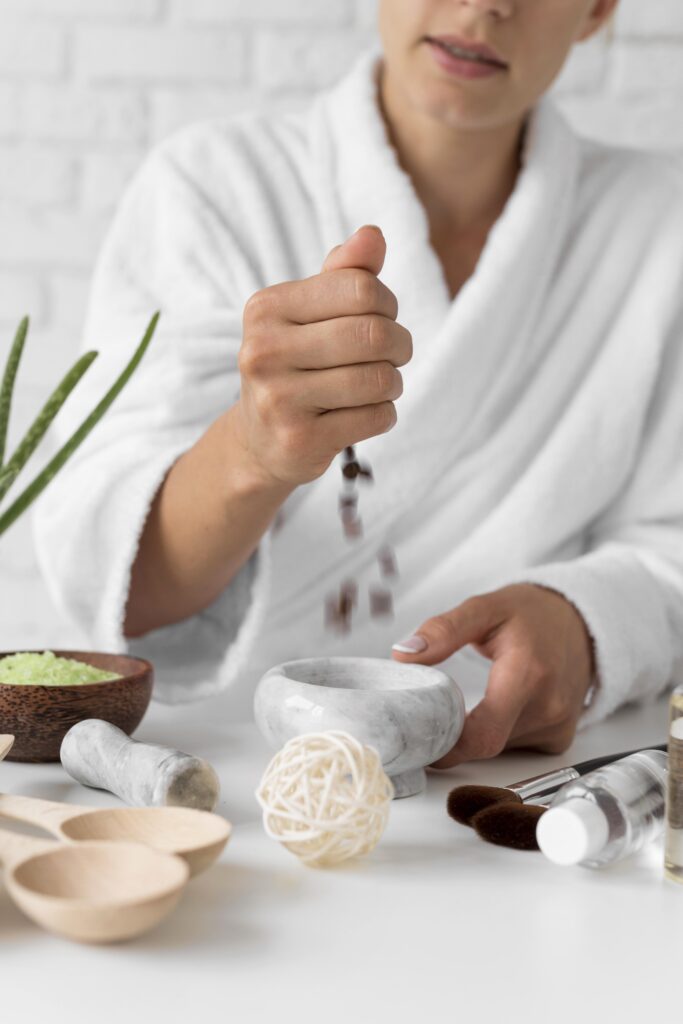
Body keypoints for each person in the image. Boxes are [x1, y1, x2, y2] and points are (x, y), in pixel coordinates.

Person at [33, 0, 683, 767]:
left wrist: (584, 625)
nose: (485, 6)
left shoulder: (659, 228)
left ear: (597, 10)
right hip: (231, 768)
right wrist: (251, 451)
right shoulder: (215, 187)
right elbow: (122, 595)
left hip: (516, 778)